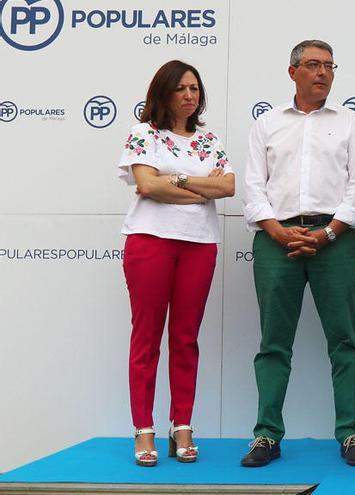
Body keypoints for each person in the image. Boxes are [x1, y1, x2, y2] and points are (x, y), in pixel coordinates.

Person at [240, 40, 355, 468]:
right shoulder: (266, 123)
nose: (322, 73)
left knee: (345, 341)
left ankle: (351, 433)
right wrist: (278, 231)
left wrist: (329, 233)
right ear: (292, 71)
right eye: (313, 65)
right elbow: (254, 187)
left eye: (329, 66)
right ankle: (266, 435)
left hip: (335, 239)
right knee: (273, 343)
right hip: (276, 238)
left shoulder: (351, 123)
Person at [119, 60, 235, 467]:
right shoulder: (143, 134)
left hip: (200, 244)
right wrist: (199, 188)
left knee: (186, 338)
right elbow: (146, 185)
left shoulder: (209, 139)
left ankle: (181, 425)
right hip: (150, 242)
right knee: (146, 339)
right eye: (181, 88)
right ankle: (143, 429)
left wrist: (176, 181)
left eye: (195, 89)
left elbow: (228, 186)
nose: (189, 95)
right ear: (163, 92)